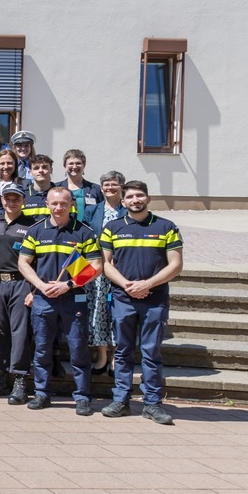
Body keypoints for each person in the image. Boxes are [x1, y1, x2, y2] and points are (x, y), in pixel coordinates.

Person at [99, 181, 184, 425]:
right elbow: (105, 264)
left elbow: (176, 264)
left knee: (151, 352)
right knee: (122, 351)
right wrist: (128, 285)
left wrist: (147, 284)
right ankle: (121, 400)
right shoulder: (112, 228)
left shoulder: (166, 227)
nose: (135, 200)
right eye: (130, 197)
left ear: (148, 198)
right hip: (123, 298)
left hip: (155, 300)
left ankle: (152, 404)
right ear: (123, 201)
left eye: (140, 195)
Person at [18, 186, 103, 415]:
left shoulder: (84, 232)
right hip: (43, 298)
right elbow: (23, 262)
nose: (59, 207)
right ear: (47, 204)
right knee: (42, 348)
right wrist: (40, 286)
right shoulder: (36, 231)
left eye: (64, 203)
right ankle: (42, 393)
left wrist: (68, 284)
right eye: (54, 203)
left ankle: (82, 397)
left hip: (73, 298)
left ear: (71, 204)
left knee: (78, 348)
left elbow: (96, 266)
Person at [0, 183, 34, 404]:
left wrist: (34, 290)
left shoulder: (32, 226)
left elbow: (38, 261)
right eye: (7, 199)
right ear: (1, 200)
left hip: (21, 283)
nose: (11, 202)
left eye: (16, 199)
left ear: (23, 201)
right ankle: (2, 377)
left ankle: (20, 380)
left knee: (20, 332)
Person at [87, 170, 127, 374]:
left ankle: (116, 357)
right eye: (106, 185)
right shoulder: (92, 211)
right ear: (101, 188)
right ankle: (102, 356)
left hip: (121, 270)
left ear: (122, 187)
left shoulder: (128, 211)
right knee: (99, 313)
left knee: (118, 314)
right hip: (97, 272)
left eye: (114, 184)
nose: (110, 188)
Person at [57, 148, 104, 224]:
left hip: (88, 229)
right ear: (65, 166)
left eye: (78, 163)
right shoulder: (56, 188)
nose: (74, 166)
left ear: (84, 165)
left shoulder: (95, 189)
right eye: (71, 163)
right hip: (64, 229)